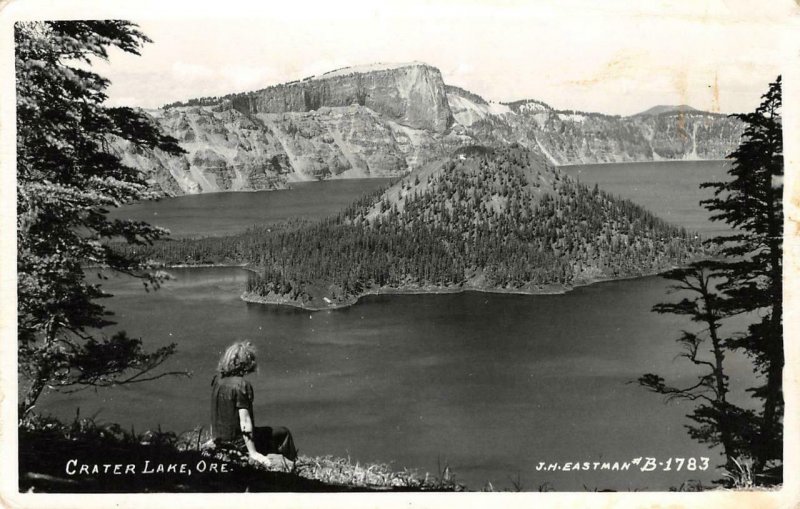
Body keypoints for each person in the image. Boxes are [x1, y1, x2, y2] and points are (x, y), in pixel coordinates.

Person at [211, 341, 298, 469]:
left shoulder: (217, 381)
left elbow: (215, 412)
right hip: (238, 443)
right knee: (283, 433)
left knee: (267, 433)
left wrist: (214, 438)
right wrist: (253, 453)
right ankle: (291, 465)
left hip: (220, 440)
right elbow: (245, 421)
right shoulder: (241, 385)